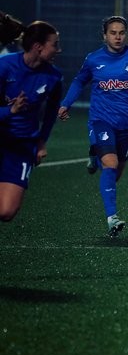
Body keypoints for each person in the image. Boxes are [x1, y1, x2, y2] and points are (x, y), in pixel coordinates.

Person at [58, 16, 128, 237]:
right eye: (113, 33)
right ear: (104, 35)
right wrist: (66, 103)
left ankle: (94, 153)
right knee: (111, 164)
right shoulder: (94, 59)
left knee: (116, 173)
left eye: (121, 32)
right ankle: (112, 217)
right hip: (101, 120)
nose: (117, 37)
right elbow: (79, 81)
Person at [0, 21, 63, 222]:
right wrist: (11, 110)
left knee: (6, 212)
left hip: (22, 146)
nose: (58, 50)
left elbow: (51, 114)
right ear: (39, 47)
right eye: (54, 44)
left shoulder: (54, 77)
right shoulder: (5, 66)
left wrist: (41, 141)